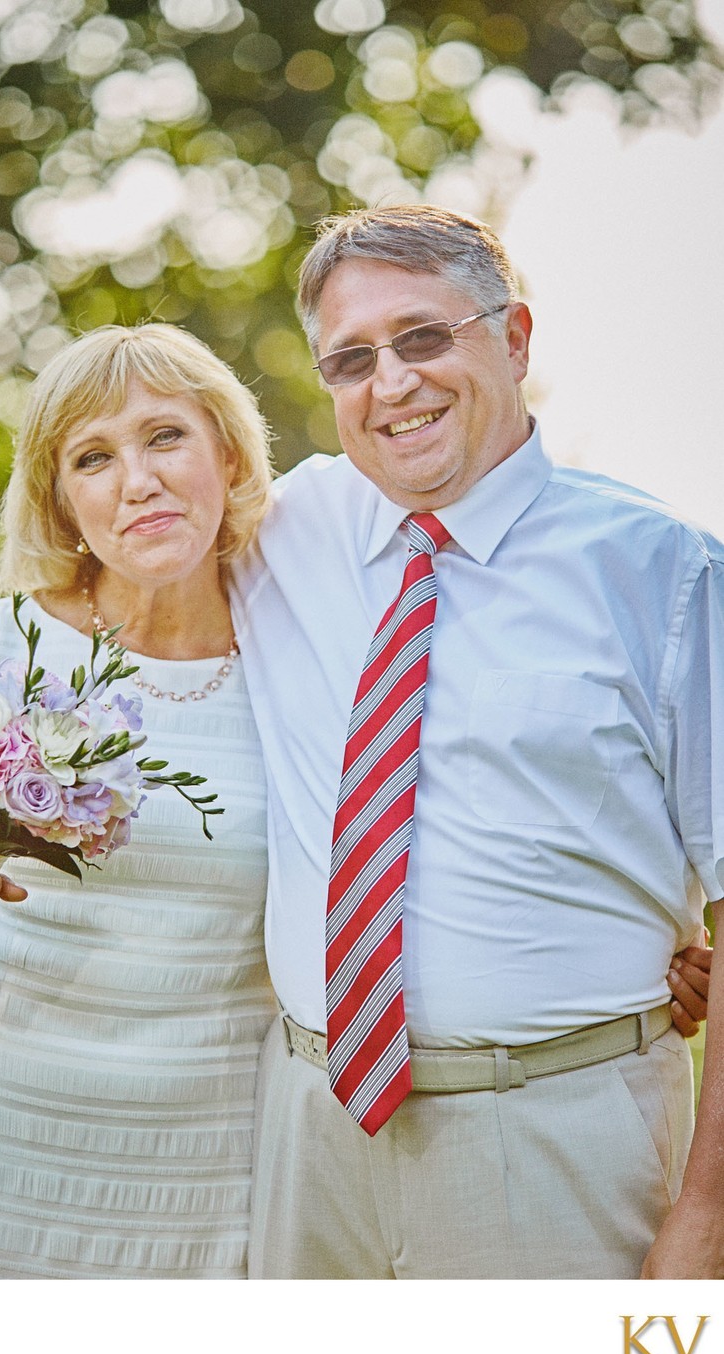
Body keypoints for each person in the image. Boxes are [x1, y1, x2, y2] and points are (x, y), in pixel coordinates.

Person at [230, 204, 722, 1279]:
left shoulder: (664, 572)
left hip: (557, 1136)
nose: (391, 383)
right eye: (351, 359)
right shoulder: (277, 532)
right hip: (309, 1131)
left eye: (422, 337)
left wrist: (706, 1221)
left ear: (515, 337)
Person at [0, 323, 276, 1278]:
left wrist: (652, 948)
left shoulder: (306, 662)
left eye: (165, 436)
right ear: (62, 497)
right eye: (94, 457)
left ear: (226, 450)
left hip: (206, 1197)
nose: (137, 480)